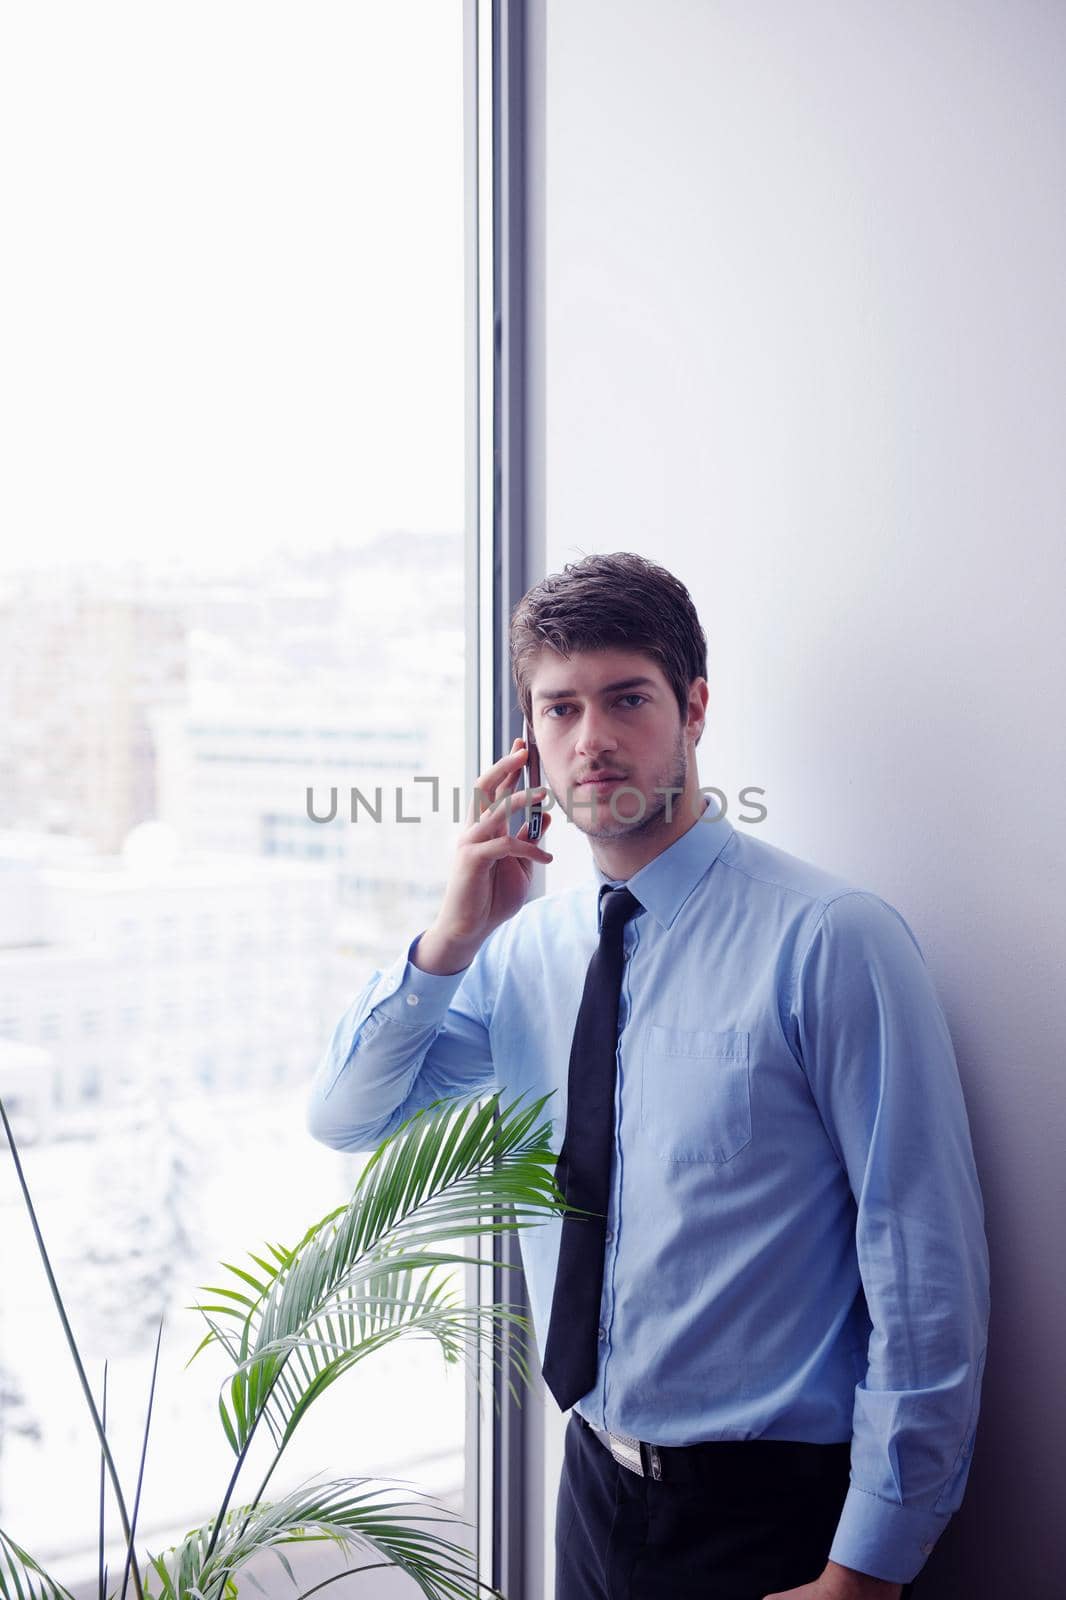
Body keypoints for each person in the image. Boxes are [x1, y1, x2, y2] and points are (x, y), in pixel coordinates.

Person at [307, 552, 990, 1600]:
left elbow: (924, 1266)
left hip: (780, 1516)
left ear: (694, 708)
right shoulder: (521, 956)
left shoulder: (828, 940)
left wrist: (866, 1567)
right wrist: (447, 939)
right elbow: (350, 1116)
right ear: (526, 738)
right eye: (560, 708)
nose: (593, 740)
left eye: (627, 698)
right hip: (590, 1486)